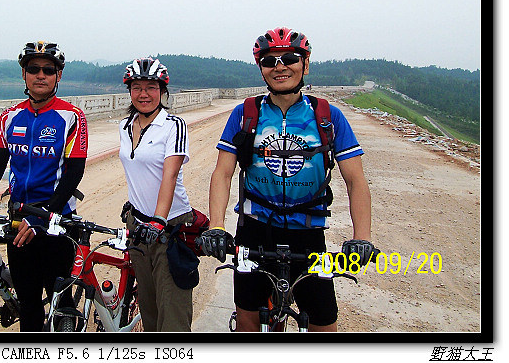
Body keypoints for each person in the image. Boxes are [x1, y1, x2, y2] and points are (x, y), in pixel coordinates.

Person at [199, 27, 374, 332]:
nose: (279, 67)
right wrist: (216, 226)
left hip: (309, 235)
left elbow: (356, 180)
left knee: (323, 325)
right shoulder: (245, 114)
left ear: (305, 64)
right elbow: (223, 173)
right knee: (248, 322)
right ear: (261, 69)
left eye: (290, 59)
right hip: (254, 232)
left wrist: (362, 237)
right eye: (269, 61)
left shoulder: (327, 116)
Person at [0, 41, 88, 332]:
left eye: (48, 70)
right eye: (33, 69)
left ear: (58, 75)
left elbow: (74, 172)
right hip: (19, 220)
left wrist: (45, 215)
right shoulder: (9, 116)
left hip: (56, 220)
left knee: (60, 302)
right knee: (29, 303)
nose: (40, 75)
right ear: (24, 74)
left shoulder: (72, 117)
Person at [118, 57, 194, 332]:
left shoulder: (173, 125)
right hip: (138, 226)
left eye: (151, 87)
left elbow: (169, 176)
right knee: (148, 308)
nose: (144, 94)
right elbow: (137, 172)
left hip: (170, 226)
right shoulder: (124, 126)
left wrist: (158, 220)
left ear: (162, 91)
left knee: (172, 314)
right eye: (137, 87)